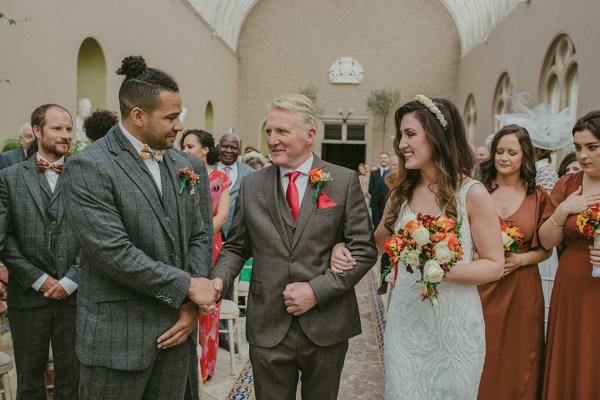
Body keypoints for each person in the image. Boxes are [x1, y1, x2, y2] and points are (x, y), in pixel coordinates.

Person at [61, 55, 220, 400]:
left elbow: (200, 235)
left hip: (178, 330)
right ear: (138, 116)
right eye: (171, 117)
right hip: (118, 341)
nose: (180, 126)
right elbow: (112, 252)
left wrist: (190, 307)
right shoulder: (90, 166)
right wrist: (188, 287)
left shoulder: (187, 164)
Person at [210, 94, 377, 400]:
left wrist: (316, 291)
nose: (272, 140)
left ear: (309, 135)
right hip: (268, 324)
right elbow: (236, 247)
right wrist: (219, 280)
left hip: (328, 322)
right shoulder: (252, 185)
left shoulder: (342, 181)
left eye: (282, 132)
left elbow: (364, 249)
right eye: (269, 132)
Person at [376, 95, 503, 398]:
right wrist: (343, 244)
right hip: (405, 322)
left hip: (455, 326)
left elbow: (494, 265)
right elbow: (379, 242)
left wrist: (438, 269)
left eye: (410, 134)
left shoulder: (472, 193)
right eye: (400, 135)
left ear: (437, 135)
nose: (401, 144)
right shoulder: (400, 193)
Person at [0, 104, 80, 399]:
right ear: (37, 131)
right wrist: (39, 279)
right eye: (57, 128)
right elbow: (4, 238)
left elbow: (95, 234)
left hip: (74, 299)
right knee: (30, 383)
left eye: (69, 129)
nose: (65, 135)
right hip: (28, 296)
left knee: (72, 382)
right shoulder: (8, 177)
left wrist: (71, 280)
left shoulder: (86, 175)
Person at [477, 125, 550, 399]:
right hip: (483, 288)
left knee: (519, 357)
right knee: (483, 353)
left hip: (522, 288)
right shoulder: (478, 192)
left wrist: (521, 260)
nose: (504, 158)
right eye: (499, 151)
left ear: (524, 156)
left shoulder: (539, 196)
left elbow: (546, 250)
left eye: (511, 152)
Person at [537, 110, 600, 400]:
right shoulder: (567, 185)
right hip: (573, 282)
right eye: (577, 148)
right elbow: (547, 241)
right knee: (573, 352)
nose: (583, 155)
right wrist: (563, 211)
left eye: (592, 147)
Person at [180, 129, 231, 382]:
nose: (185, 151)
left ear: (205, 150)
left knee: (209, 304)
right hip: (182, 247)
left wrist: (197, 233)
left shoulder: (220, 178)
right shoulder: (181, 176)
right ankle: (185, 366)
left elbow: (221, 217)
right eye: (183, 146)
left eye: (190, 146)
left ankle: (206, 366)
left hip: (212, 245)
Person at [216, 133, 255, 239]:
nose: (228, 150)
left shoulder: (251, 174)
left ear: (239, 151)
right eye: (225, 146)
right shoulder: (207, 171)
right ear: (218, 148)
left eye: (233, 147)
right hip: (212, 233)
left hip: (238, 235)